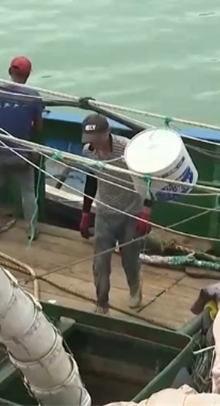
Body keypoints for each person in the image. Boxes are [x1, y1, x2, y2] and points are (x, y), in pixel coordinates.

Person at [77, 113, 152, 314]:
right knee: (101, 262)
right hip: (105, 212)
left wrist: (146, 210)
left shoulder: (127, 148)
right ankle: (102, 302)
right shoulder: (88, 152)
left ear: (107, 133)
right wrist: (86, 212)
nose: (94, 144)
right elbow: (91, 179)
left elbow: (148, 177)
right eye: (90, 140)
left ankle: (135, 287)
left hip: (131, 212)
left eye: (97, 139)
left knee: (130, 258)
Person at [0, 56, 44, 239]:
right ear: (28, 75)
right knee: (28, 191)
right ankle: (31, 230)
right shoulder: (33, 97)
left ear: (9, 72)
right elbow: (38, 127)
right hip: (22, 154)